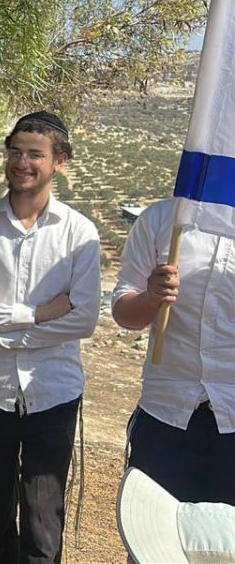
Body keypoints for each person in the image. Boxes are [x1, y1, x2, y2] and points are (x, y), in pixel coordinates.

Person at [0, 111, 101, 564]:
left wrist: (3, 332)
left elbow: (84, 320)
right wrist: (37, 314)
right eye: (15, 152)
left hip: (54, 396)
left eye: (35, 154)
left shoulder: (79, 234)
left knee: (43, 527)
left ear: (59, 162)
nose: (22, 163)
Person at [111, 197, 235, 506]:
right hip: (165, 415)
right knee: (150, 531)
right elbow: (124, 312)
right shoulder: (161, 220)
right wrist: (151, 298)